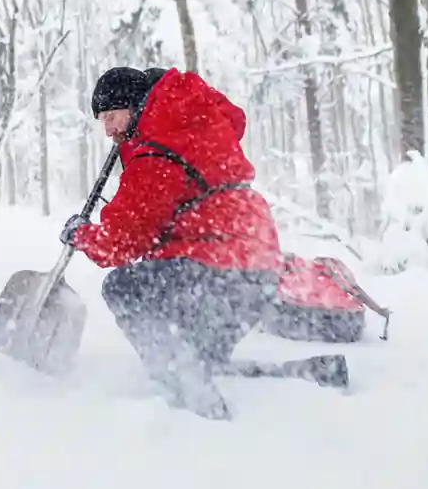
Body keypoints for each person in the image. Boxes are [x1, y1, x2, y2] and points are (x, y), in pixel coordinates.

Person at [60, 66, 282, 420]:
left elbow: (121, 244)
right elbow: (234, 120)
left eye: (113, 116)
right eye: (103, 120)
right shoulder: (192, 121)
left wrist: (81, 234)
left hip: (221, 272)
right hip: (258, 270)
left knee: (125, 287)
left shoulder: (159, 149)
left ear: (135, 106)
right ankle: (202, 363)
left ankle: (187, 392)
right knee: (190, 336)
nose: (109, 129)